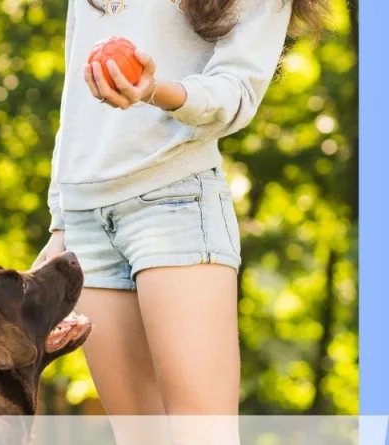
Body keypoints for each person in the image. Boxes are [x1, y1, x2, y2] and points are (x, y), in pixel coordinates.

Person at [33, 0, 327, 442]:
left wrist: (154, 89)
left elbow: (235, 93)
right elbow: (74, 107)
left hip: (173, 200)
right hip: (85, 220)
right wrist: (60, 223)